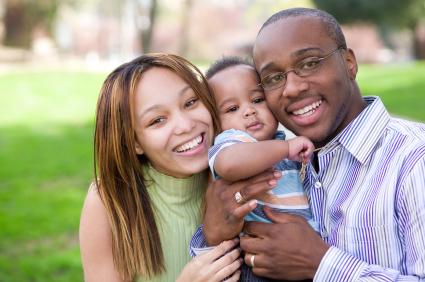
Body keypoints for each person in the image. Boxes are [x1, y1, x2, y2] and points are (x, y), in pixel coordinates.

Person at [190, 8, 425, 282]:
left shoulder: (414, 158)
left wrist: (320, 264)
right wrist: (214, 234)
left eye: (309, 63)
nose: (291, 88)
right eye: (274, 78)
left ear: (350, 62)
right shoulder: (293, 159)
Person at [79, 53, 246, 282]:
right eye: (157, 120)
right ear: (134, 142)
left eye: (190, 103)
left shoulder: (243, 173)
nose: (186, 125)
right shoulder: (109, 201)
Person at [206, 56, 318, 281]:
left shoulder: (283, 143)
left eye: (257, 100)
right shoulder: (232, 141)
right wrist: (285, 148)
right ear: (216, 123)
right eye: (232, 108)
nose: (249, 111)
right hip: (259, 261)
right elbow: (229, 164)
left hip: (305, 252)